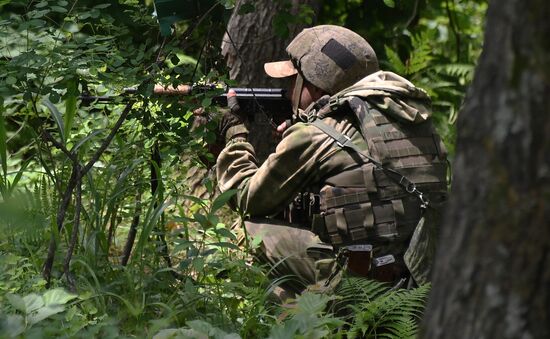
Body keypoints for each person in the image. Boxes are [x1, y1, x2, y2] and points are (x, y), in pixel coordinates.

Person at [216, 25, 448, 295]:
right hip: (420, 281)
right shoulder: (412, 122)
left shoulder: (317, 134)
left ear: (313, 85)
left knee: (247, 229)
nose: (289, 90)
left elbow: (247, 198)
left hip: (362, 284)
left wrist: (234, 135)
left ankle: (298, 320)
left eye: (293, 81)